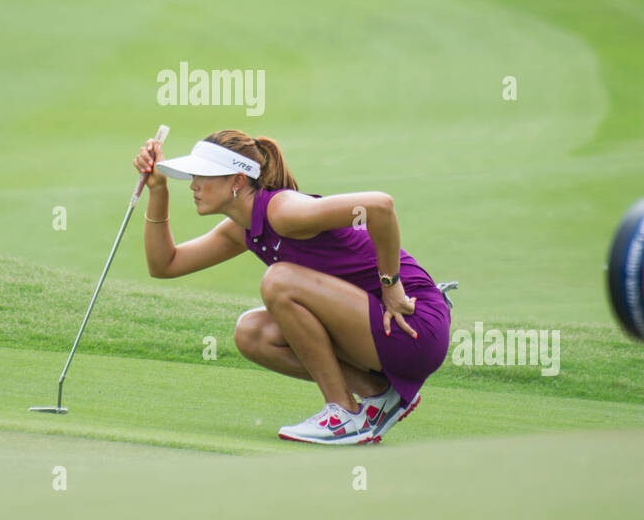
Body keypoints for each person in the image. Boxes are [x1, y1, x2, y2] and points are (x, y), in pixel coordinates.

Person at [135, 129, 453, 445]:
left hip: (411, 324)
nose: (193, 185)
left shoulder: (283, 212)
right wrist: (158, 191)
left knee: (279, 280)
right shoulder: (241, 229)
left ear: (237, 181)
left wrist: (391, 284)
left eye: (204, 175)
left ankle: (343, 413)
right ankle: (378, 393)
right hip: (375, 327)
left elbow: (380, 209)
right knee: (252, 333)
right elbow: (166, 265)